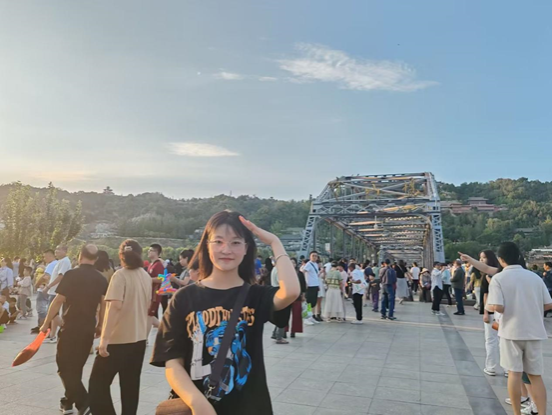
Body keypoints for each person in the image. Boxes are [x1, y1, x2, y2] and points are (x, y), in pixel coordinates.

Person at [150, 211, 299, 415]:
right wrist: (197, 403)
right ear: (207, 245)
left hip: (248, 408)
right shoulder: (184, 298)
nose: (226, 249)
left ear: (246, 248)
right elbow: (172, 361)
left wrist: (274, 242)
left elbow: (291, 292)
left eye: (236, 242)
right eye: (218, 241)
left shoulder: (256, 296)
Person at [40, 244, 108, 415]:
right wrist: (100, 325)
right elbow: (104, 305)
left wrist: (46, 323)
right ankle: (68, 403)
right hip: (88, 328)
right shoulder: (101, 279)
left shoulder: (71, 275)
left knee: (63, 367)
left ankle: (84, 402)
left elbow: (58, 300)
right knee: (76, 368)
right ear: (96, 259)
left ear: (79, 256)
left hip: (70, 327)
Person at [486, 242, 552, 415]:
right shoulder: (534, 277)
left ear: (501, 259)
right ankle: (542, 412)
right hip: (534, 332)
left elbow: (498, 307)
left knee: (514, 374)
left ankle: (517, 412)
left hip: (511, 332)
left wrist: (492, 306)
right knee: (535, 376)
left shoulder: (498, 279)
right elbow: (548, 304)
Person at [89, 239, 153, 415]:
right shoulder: (146, 276)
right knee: (130, 386)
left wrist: (104, 340)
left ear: (121, 256)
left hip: (118, 341)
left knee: (97, 385)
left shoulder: (120, 275)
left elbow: (114, 307)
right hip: (139, 339)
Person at [459, 250, 504, 377]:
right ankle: (504, 368)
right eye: (480, 258)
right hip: (501, 311)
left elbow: (486, 295)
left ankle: (492, 367)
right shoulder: (499, 273)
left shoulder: (492, 275)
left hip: (495, 311)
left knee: (492, 340)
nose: (481, 260)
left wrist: (485, 312)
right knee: (500, 340)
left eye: (483, 258)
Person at [43, 245, 72, 343]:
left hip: (57, 290)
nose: (56, 251)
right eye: (56, 249)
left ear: (65, 251)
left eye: (59, 249)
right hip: (54, 290)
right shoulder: (60, 261)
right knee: (54, 313)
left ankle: (66, 329)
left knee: (52, 312)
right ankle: (52, 335)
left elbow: (61, 276)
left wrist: (49, 286)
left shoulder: (65, 261)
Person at [288, 258, 306, 337]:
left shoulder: (300, 273)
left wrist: (303, 295)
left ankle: (294, 331)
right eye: (290, 262)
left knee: (297, 314)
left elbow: (303, 285)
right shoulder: (285, 273)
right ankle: (284, 330)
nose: (292, 264)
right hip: (287, 296)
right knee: (285, 314)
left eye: (293, 263)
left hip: (297, 296)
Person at [301, 251, 321, 323]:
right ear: (310, 257)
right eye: (313, 256)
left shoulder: (316, 264)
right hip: (310, 285)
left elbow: (316, 275)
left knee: (313, 302)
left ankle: (311, 316)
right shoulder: (308, 264)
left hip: (315, 285)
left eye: (316, 256)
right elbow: (303, 272)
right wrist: (305, 282)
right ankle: (306, 317)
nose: (314, 257)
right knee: (308, 302)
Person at [270, 266, 288, 344]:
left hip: (275, 290)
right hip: (280, 291)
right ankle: (279, 336)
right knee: (282, 314)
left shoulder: (275, 268)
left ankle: (275, 333)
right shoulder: (280, 269)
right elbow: (281, 281)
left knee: (279, 314)